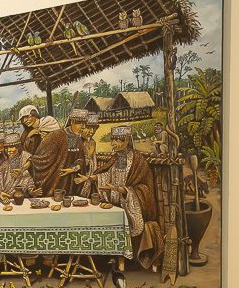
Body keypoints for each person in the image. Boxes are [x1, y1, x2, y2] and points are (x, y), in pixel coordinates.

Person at [88, 125, 164, 270]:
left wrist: (122, 190)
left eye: (117, 140)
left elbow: (145, 188)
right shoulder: (116, 158)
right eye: (113, 140)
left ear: (127, 140)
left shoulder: (137, 160)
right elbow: (107, 174)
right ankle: (114, 258)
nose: (113, 144)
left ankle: (125, 260)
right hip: (116, 204)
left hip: (132, 205)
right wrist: (93, 178)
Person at [31, 108, 87, 196]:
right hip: (52, 180)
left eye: (84, 124)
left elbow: (80, 159)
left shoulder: (77, 138)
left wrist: (73, 169)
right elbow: (39, 158)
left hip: (69, 181)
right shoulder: (55, 135)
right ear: (72, 122)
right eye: (80, 123)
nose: (83, 127)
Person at [0, 132, 41, 199]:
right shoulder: (4, 163)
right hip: (4, 196)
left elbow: (27, 178)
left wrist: (31, 191)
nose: (8, 150)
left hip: (20, 197)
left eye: (11, 147)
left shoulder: (25, 157)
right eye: (6, 148)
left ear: (18, 147)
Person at [74, 114, 100, 197]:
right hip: (78, 178)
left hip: (89, 178)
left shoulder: (92, 142)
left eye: (94, 128)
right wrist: (89, 154)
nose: (92, 131)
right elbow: (78, 164)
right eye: (88, 128)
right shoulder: (76, 142)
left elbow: (93, 163)